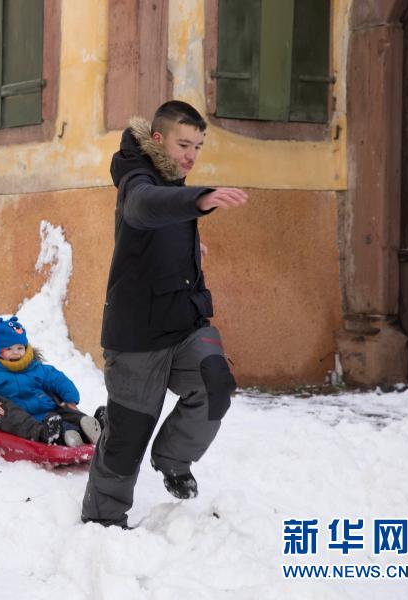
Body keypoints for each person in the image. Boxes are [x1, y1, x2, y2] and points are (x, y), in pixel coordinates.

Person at [81, 100, 247, 528]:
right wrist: (201, 197)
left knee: (216, 383)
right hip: (137, 336)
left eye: (198, 146)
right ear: (158, 140)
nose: (191, 155)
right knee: (127, 436)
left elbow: (163, 227)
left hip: (185, 324)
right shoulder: (138, 179)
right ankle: (102, 525)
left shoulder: (172, 183)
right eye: (183, 144)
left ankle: (173, 459)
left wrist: (190, 248)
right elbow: (143, 207)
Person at [0, 316, 101, 447]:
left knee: (61, 412)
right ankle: (60, 436)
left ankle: (86, 424)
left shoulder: (35, 367)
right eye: (9, 349)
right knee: (10, 413)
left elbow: (57, 378)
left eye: (20, 348)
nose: (16, 352)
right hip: (19, 418)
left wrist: (70, 398)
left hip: (47, 412)